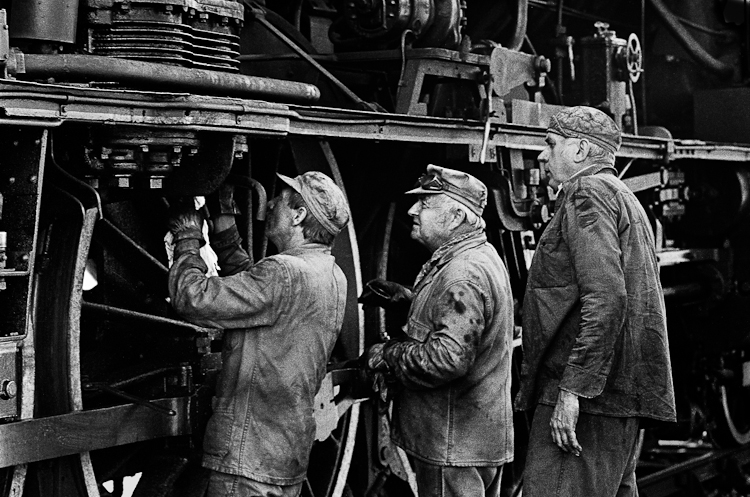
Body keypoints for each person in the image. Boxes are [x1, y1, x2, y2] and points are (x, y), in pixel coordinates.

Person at [515, 106, 676, 496]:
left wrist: (573, 391)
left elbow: (606, 298)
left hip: (590, 401)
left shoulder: (587, 192)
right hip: (614, 397)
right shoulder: (622, 195)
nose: (542, 155)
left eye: (551, 144)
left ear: (580, 149)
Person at [167, 171, 350, 497]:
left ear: (299, 215)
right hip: (284, 454)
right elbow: (263, 298)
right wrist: (226, 235)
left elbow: (192, 298)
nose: (273, 203)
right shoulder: (333, 274)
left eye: (281, 198)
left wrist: (187, 237)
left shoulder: (283, 274)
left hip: (246, 458)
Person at [360, 164, 515, 497]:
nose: (413, 210)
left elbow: (447, 359)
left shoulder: (462, 274)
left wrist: (387, 355)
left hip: (452, 445)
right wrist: (410, 301)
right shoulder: (478, 255)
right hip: (470, 439)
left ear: (456, 217)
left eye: (426, 203)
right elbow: (469, 322)